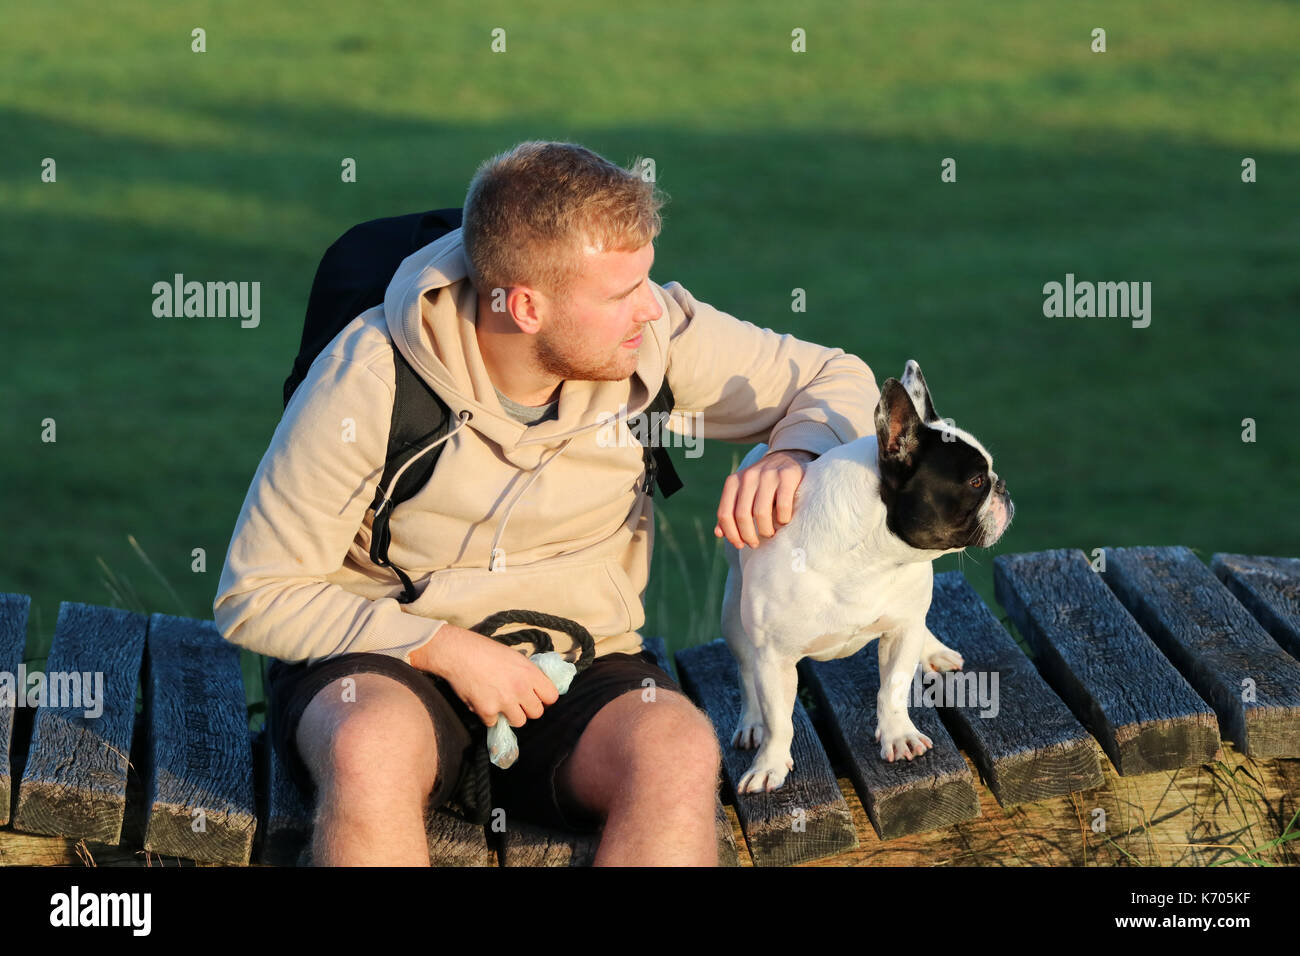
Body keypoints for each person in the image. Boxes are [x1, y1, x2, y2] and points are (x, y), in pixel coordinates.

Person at [212, 140, 880, 866]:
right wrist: (442, 646)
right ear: (526, 306)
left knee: (677, 747)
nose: (649, 307)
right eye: (621, 293)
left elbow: (837, 377)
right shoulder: (370, 376)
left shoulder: (648, 340)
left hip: (576, 664)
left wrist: (797, 451)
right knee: (369, 744)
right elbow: (257, 593)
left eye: (647, 280)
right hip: (383, 662)